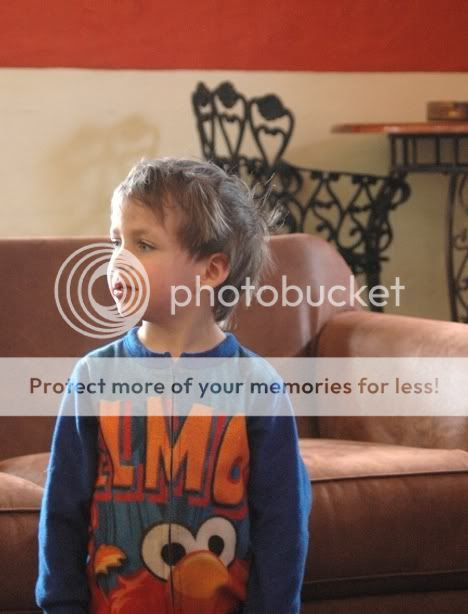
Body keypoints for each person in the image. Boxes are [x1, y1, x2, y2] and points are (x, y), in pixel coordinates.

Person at [35, 158, 312, 613]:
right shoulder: (94, 377)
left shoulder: (256, 386)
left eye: (143, 244)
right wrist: (61, 605)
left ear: (212, 270)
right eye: (116, 242)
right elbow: (62, 510)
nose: (119, 260)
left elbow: (283, 523)